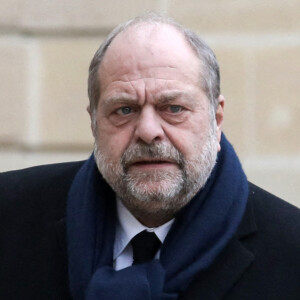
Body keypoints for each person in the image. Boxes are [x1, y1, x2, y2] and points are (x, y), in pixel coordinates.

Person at [0, 13, 299, 300]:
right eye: (124, 109)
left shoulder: (291, 250)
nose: (148, 131)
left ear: (216, 119)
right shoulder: (10, 218)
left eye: (173, 108)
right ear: (93, 122)